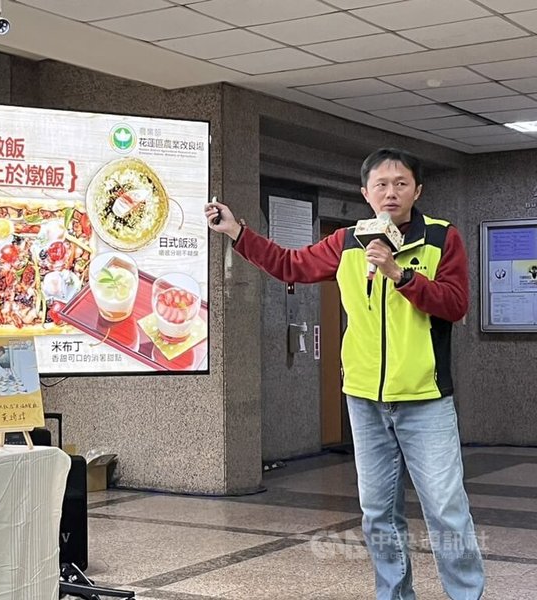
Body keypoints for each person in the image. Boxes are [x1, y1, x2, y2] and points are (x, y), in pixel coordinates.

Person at [206, 148, 484, 600]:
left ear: (417, 190)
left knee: (446, 509)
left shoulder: (441, 239)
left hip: (425, 397)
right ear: (365, 193)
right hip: (364, 397)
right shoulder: (348, 241)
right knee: (377, 511)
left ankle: (466, 594)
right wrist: (237, 231)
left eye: (400, 183)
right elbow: (290, 265)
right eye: (381, 184)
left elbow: (455, 304)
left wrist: (400, 275)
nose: (390, 192)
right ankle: (393, 594)